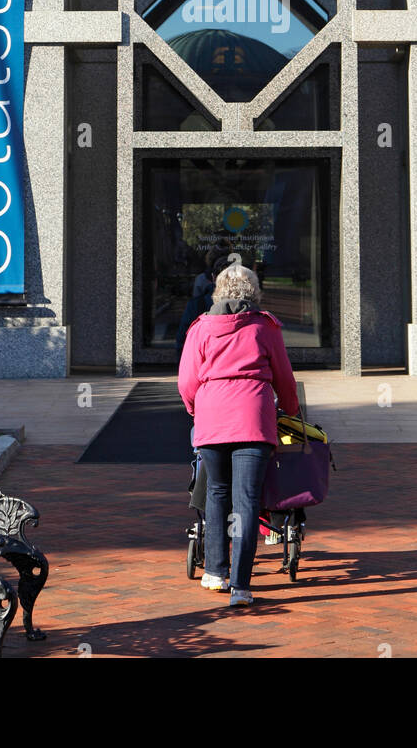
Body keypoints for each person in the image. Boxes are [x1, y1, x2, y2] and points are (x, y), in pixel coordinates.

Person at [177, 256, 299, 608]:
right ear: (254, 290)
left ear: (218, 289)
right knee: (247, 500)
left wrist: (196, 411)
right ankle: (241, 587)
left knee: (216, 493)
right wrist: (290, 409)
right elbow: (284, 377)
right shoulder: (265, 326)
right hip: (253, 419)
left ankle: (215, 571)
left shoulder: (200, 327)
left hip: (212, 418)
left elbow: (187, 381)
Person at [174, 245, 229, 362]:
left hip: (205, 372)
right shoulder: (251, 310)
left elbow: (182, 343)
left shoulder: (197, 304)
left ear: (213, 277)